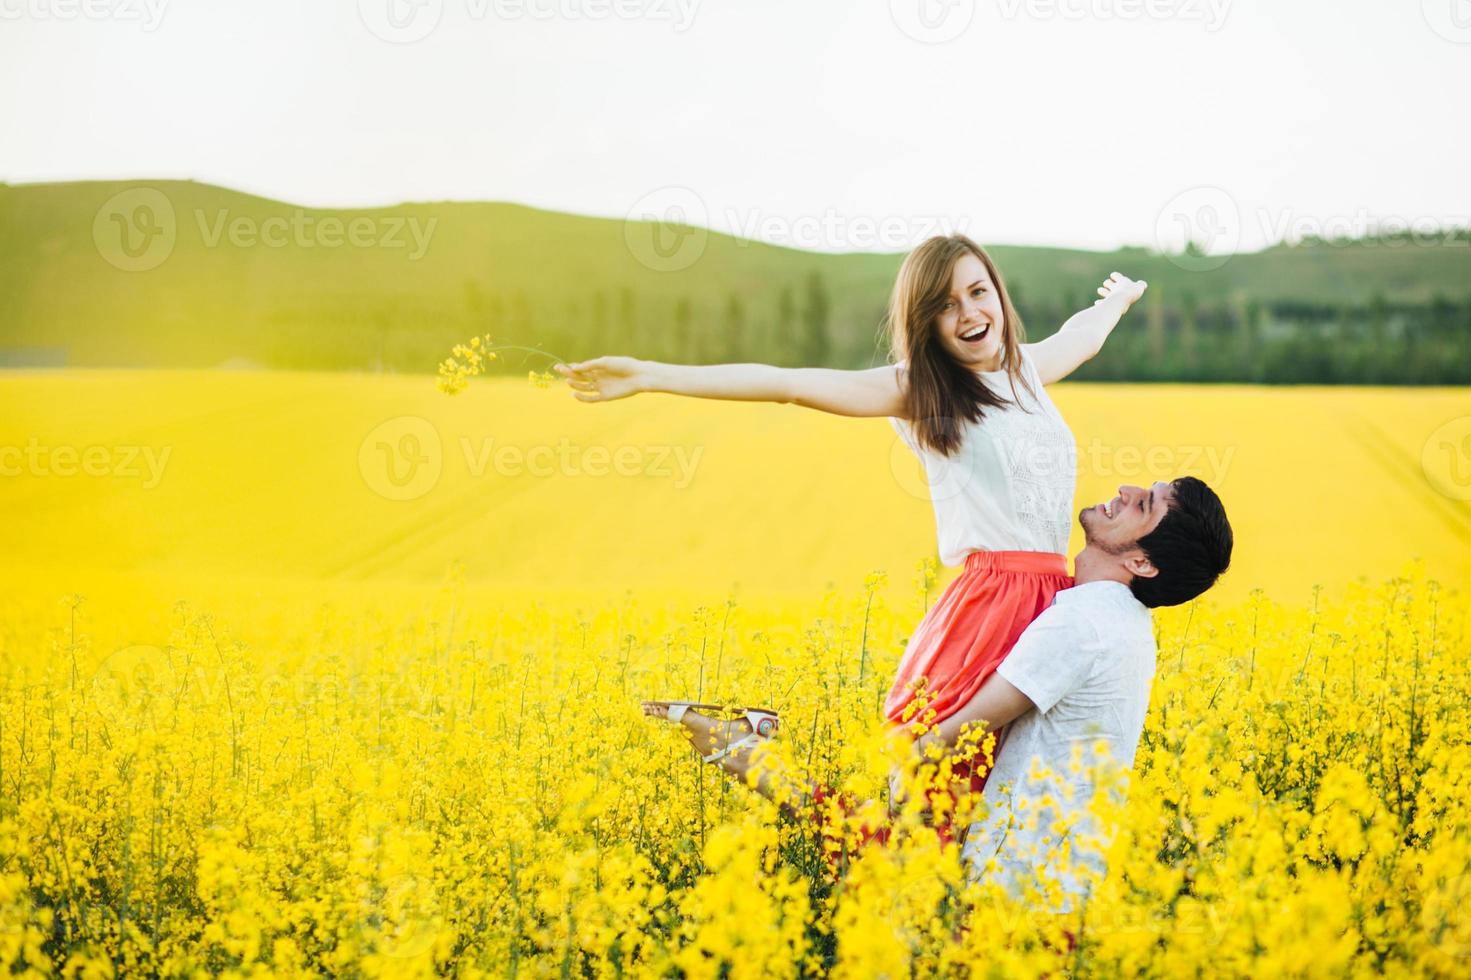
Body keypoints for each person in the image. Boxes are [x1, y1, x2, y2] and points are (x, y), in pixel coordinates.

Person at [554, 233, 1151, 849]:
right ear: (926, 324)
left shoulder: (1027, 372)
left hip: (1052, 606)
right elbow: (786, 382)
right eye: (947, 305)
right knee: (922, 827)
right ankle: (745, 755)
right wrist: (652, 375)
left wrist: (1118, 301)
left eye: (978, 292)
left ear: (998, 293)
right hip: (993, 612)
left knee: (994, 818)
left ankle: (752, 753)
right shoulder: (922, 389)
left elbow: (1083, 336)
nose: (971, 314)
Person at [914, 475, 1233, 939]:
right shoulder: (1122, 621)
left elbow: (959, 731)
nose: (1125, 490)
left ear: (1141, 563)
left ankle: (765, 766)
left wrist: (884, 762)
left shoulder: (1082, 623)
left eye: (1144, 505)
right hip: (1060, 891)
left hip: (1015, 895)